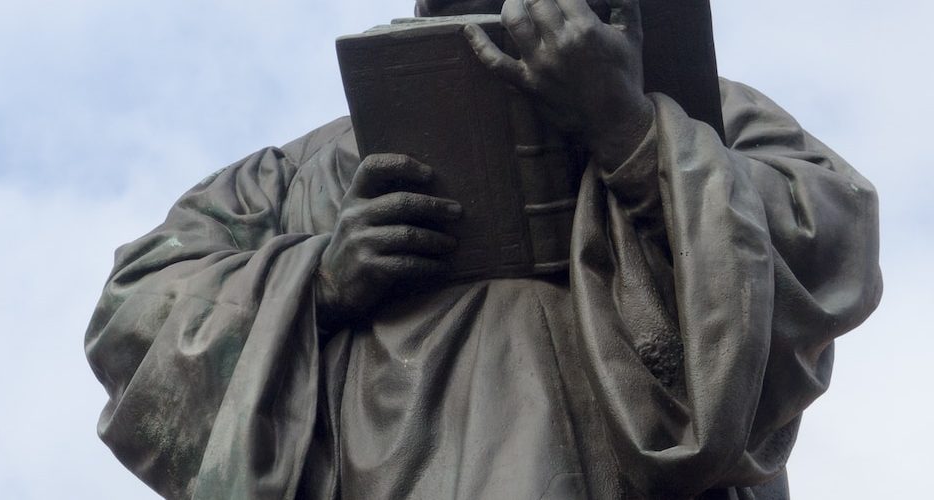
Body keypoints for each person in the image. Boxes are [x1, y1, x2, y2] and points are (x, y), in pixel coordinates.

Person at [84, 0, 882, 498]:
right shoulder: (296, 174)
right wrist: (318, 279)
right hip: (389, 470)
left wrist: (630, 132)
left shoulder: (709, 112)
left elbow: (834, 239)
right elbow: (135, 311)